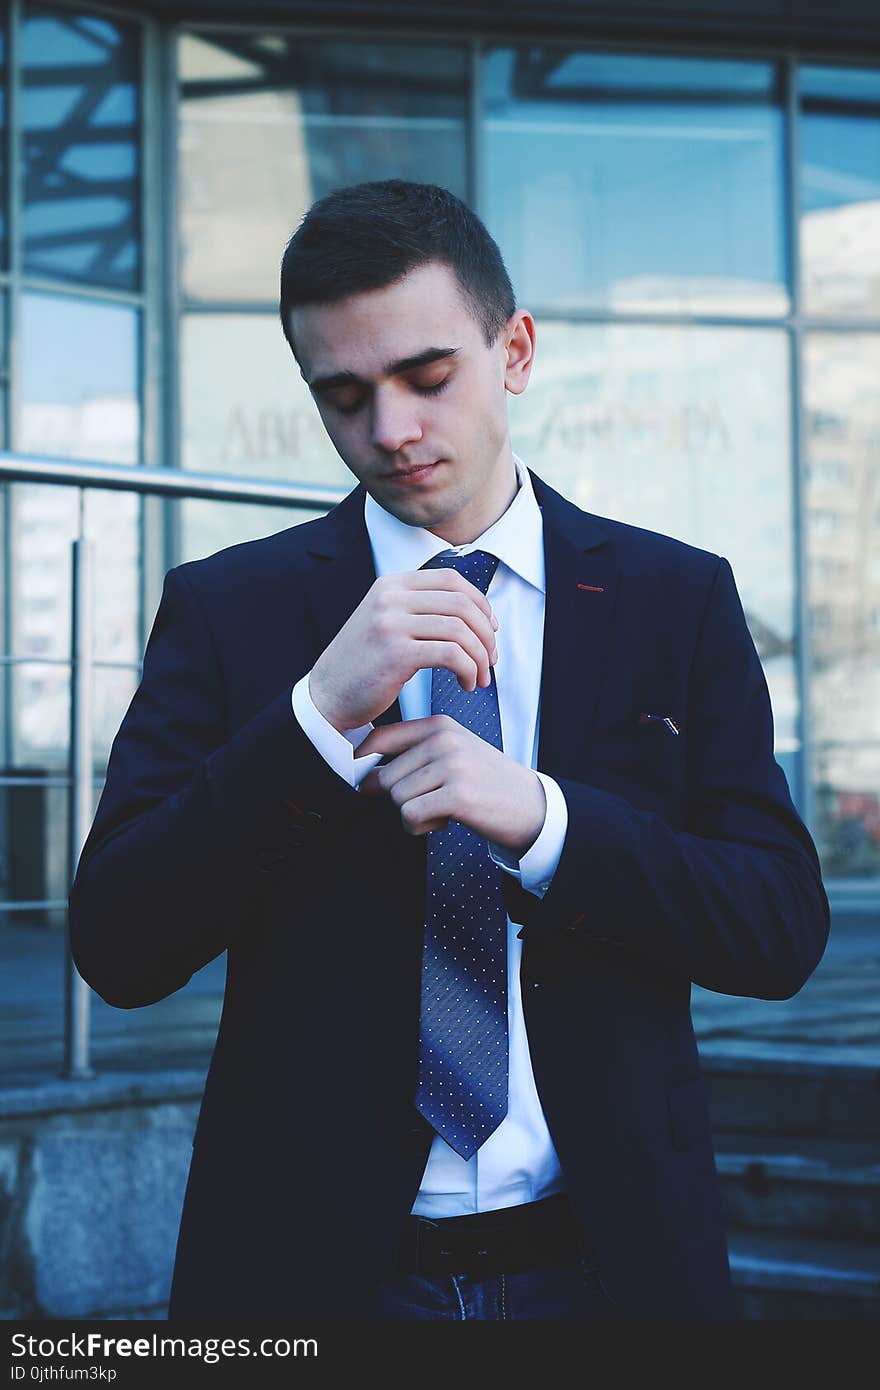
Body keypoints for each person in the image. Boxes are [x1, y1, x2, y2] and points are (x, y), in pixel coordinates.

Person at [68, 179, 829, 1322]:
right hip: (314, 1281)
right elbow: (118, 945)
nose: (391, 431)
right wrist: (313, 716)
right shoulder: (234, 609)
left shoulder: (674, 599)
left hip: (611, 1268)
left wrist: (545, 820)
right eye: (344, 396)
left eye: (429, 378)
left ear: (514, 350)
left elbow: (777, 928)